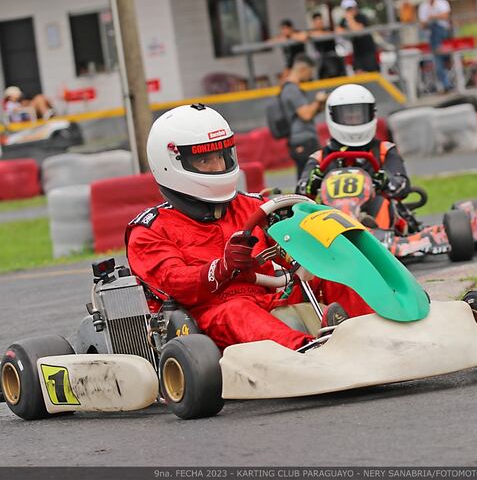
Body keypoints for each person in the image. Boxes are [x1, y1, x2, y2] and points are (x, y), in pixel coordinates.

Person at [125, 103, 373, 352]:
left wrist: (310, 244)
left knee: (335, 274)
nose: (218, 166)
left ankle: (375, 334)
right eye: (204, 159)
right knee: (238, 311)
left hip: (269, 298)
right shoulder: (150, 230)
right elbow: (174, 282)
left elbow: (293, 249)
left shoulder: (251, 206)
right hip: (209, 316)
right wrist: (220, 269)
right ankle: (310, 352)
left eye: (221, 155)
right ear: (170, 164)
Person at [297, 84, 410, 230]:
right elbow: (301, 193)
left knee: (381, 202)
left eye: (358, 115)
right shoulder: (320, 157)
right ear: (332, 116)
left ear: (371, 114)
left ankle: (378, 233)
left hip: (374, 210)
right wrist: (313, 182)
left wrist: (385, 180)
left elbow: (402, 187)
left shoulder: (384, 150)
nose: (354, 119)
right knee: (316, 209)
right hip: (331, 216)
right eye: (348, 116)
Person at [280, 53, 327, 178]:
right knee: (312, 177)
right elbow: (306, 115)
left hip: (301, 140)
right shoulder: (292, 89)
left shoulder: (291, 88)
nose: (310, 76)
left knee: (306, 178)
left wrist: (320, 105)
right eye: (310, 72)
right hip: (304, 141)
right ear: (302, 69)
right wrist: (317, 100)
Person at [419, 0, 453, 92]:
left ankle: (446, 83)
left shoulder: (442, 3)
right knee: (438, 60)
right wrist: (433, 19)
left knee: (435, 26)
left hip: (443, 34)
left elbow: (445, 16)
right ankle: (446, 84)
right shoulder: (423, 6)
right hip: (433, 36)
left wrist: (432, 17)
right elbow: (423, 24)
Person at [335, 0, 379, 73]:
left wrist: (350, 19)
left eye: (351, 8)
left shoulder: (361, 17)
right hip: (357, 52)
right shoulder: (344, 20)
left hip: (368, 51)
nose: (351, 11)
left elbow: (358, 30)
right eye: (348, 9)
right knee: (358, 73)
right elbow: (338, 30)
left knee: (372, 73)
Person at [309, 12, 345, 79]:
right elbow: (306, 35)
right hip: (322, 61)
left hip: (334, 59)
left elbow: (340, 30)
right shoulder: (311, 32)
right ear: (313, 23)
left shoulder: (329, 29)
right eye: (317, 21)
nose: (319, 23)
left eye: (320, 21)